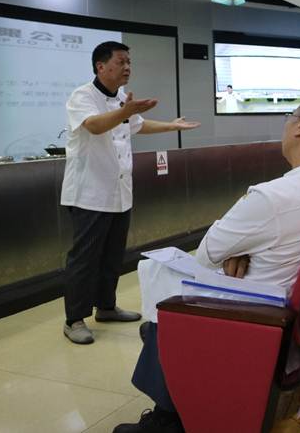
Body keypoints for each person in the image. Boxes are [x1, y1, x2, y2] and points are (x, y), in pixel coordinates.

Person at [116, 92, 300, 433]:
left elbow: (205, 256)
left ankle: (167, 417)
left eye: (291, 115)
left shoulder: (270, 197)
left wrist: (238, 247)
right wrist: (244, 247)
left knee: (165, 281)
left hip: (262, 323)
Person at [61, 41, 200, 345]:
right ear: (101, 66)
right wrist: (124, 110)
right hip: (89, 193)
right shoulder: (82, 96)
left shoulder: (122, 98)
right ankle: (74, 319)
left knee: (112, 255)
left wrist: (171, 126)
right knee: (84, 259)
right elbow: (95, 126)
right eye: (121, 62)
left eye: (129, 62)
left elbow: (136, 124)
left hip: (119, 191)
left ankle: (106, 307)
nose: (127, 68)